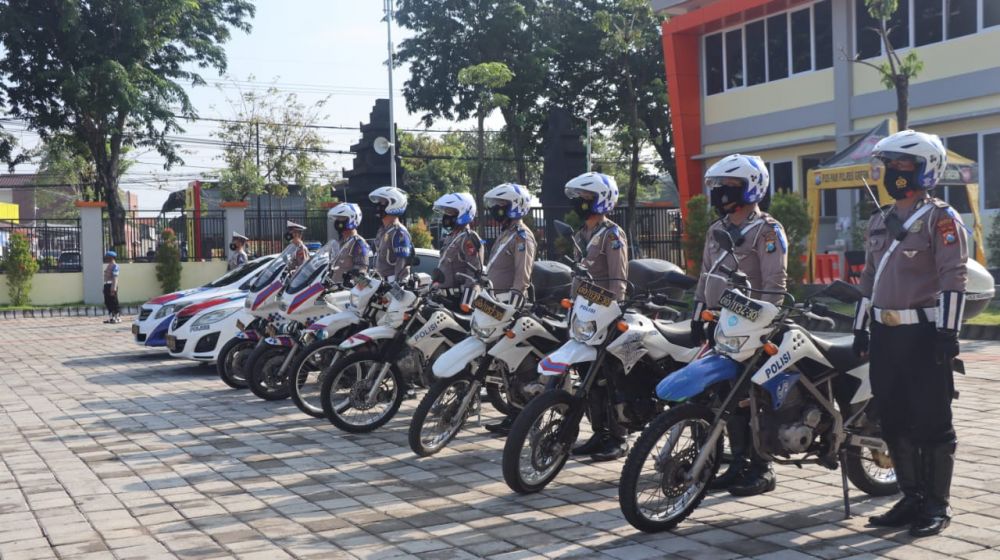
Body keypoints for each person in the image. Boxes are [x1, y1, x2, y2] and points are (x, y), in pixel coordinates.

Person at [853, 130, 966, 538]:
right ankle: (910, 496)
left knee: (932, 421)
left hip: (924, 337)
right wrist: (860, 327)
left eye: (903, 165)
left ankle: (936, 505)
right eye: (890, 165)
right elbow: (868, 277)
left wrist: (948, 334)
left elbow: (954, 277)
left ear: (925, 170)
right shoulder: (880, 220)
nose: (894, 173)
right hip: (885, 336)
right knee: (894, 418)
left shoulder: (942, 219)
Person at [691, 154, 788, 496]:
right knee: (724, 398)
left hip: (752, 328)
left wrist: (763, 323)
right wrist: (698, 314)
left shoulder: (768, 230)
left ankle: (761, 469)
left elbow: (775, 284)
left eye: (731, 187)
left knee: (752, 397)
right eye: (719, 187)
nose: (722, 194)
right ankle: (737, 463)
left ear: (752, 188)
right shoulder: (717, 230)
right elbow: (706, 275)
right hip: (721, 327)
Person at [562, 172, 631, 461]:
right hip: (584, 316)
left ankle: (617, 437)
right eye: (580, 198)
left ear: (602, 201)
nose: (580, 203)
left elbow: (617, 282)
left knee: (609, 377)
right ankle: (599, 433)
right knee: (588, 379)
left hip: (605, 318)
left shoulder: (612, 234)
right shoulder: (583, 234)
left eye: (586, 199)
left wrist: (612, 313)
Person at [480, 182, 537, 436]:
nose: (496, 211)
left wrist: (513, 303)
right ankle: (512, 414)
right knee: (503, 364)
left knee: (516, 365)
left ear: (515, 206)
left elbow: (522, 276)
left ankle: (519, 415)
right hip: (495, 303)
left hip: (509, 306)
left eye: (501, 206)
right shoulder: (506, 234)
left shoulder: (522, 236)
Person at [431, 192, 483, 300]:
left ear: (463, 212)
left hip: (458, 298)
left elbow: (473, 273)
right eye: (445, 211)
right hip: (443, 297)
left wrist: (467, 300)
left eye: (450, 211)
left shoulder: (469, 238)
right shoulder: (451, 237)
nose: (446, 215)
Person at [369, 186, 412, 283]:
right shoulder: (382, 231)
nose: (378, 205)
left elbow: (402, 265)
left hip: (390, 286)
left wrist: (396, 287)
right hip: (378, 284)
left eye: (383, 202)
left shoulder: (399, 232)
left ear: (395, 204)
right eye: (379, 202)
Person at [327, 203, 369, 286]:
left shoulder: (358, 243)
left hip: (346, 293)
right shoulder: (342, 242)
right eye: (337, 218)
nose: (338, 221)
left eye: (342, 218)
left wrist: (351, 281)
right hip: (334, 290)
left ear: (352, 219)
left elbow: (362, 271)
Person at [103, 250, 121, 324]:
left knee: (114, 302)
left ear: (112, 257)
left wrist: (113, 288)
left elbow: (115, 277)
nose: (106, 258)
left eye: (108, 257)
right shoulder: (109, 265)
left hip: (112, 285)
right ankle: (111, 317)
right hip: (107, 285)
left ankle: (117, 317)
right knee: (107, 302)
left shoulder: (115, 266)